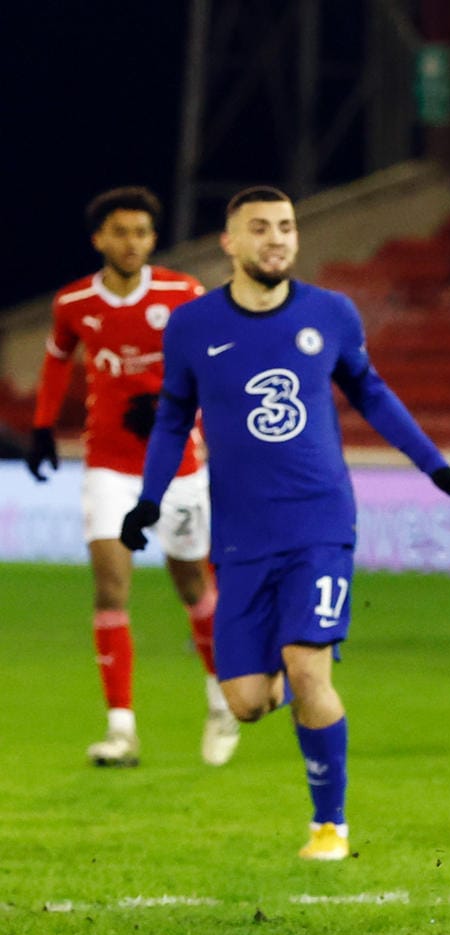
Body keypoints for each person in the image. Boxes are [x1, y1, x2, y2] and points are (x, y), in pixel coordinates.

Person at [121, 186, 450, 862]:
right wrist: (148, 499)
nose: (277, 238)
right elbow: (171, 419)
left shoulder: (330, 315)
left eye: (285, 227)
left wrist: (438, 470)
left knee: (310, 674)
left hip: (319, 524)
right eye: (260, 228)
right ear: (229, 242)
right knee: (248, 700)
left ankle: (330, 826)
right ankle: (296, 653)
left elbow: (372, 393)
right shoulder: (192, 326)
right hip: (240, 537)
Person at [25, 186, 238, 768]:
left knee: (192, 584)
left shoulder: (182, 293)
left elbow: (212, 365)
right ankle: (121, 730)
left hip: (179, 468)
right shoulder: (74, 302)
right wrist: (43, 428)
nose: (132, 242)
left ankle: (221, 701)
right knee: (110, 587)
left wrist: (178, 409)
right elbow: (55, 358)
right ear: (100, 239)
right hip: (109, 467)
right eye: (120, 232)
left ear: (152, 238)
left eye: (142, 232)